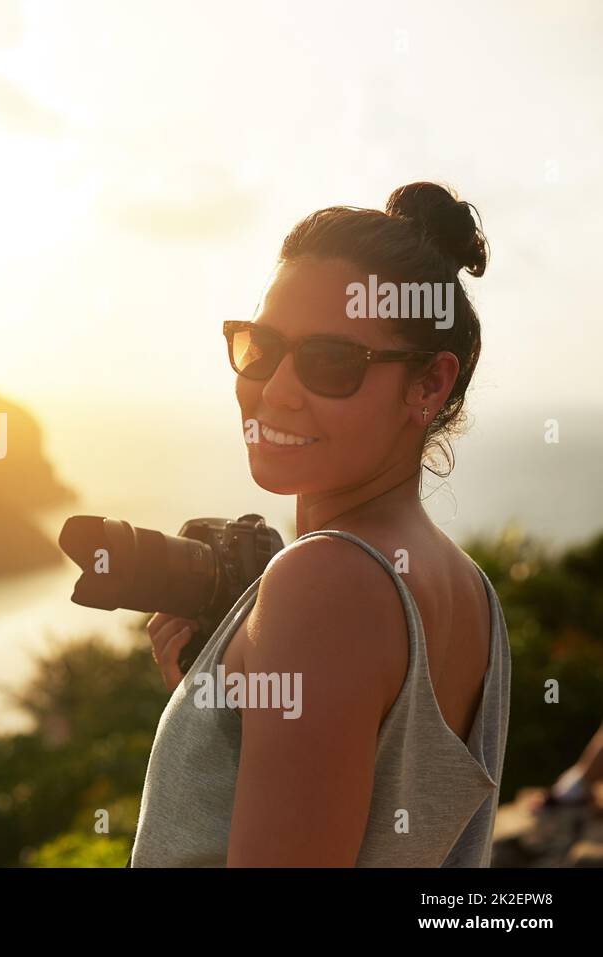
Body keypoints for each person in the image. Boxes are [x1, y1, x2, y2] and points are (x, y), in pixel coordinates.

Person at [130, 182, 511, 866]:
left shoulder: (324, 582)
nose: (275, 388)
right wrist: (221, 722)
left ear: (429, 385)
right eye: (260, 345)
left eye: (331, 362)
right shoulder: (470, 588)